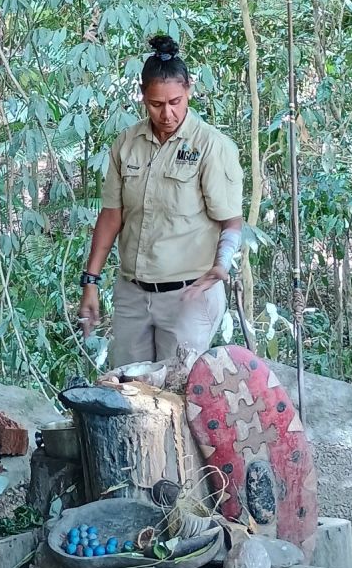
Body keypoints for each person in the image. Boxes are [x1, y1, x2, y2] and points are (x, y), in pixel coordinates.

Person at [77, 34, 244, 366]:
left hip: (189, 295)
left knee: (178, 394)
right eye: (156, 104)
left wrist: (221, 264)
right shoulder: (126, 144)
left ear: (189, 92)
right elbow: (112, 216)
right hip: (133, 295)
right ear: (142, 97)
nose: (167, 113)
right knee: (128, 390)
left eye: (176, 101)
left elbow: (231, 222)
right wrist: (91, 282)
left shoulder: (212, 146)